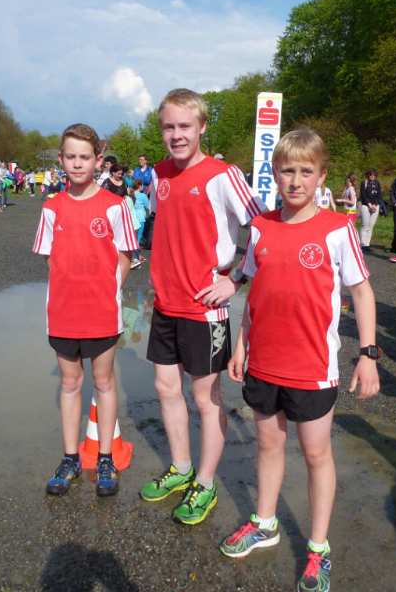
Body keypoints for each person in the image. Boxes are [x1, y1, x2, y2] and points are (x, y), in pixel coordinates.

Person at [220, 127, 379, 592]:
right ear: (274, 174)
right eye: (287, 171)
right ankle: (265, 522)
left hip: (312, 367)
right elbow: (255, 292)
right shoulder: (261, 228)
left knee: (315, 454)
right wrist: (242, 345)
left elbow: (362, 292)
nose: (295, 181)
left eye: (306, 172)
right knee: (269, 446)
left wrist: (368, 354)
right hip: (263, 363)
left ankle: (318, 548)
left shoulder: (337, 229)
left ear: (322, 176)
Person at [138, 88, 265, 525]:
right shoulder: (157, 174)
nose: (176, 135)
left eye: (184, 126)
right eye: (168, 127)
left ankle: (206, 484)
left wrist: (236, 279)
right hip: (165, 304)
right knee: (165, 389)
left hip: (204, 308)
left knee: (205, 398)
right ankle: (181, 467)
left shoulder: (223, 175)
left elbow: (264, 228)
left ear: (202, 127)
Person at [32, 123, 138, 497]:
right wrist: (71, 287)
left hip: (102, 313)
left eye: (85, 157)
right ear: (61, 160)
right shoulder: (51, 207)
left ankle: (105, 457)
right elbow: (49, 258)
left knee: (104, 382)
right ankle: (69, 458)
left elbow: (125, 256)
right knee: (70, 383)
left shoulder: (116, 205)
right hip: (63, 312)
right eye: (71, 157)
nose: (78, 164)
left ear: (98, 160)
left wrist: (107, 290)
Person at [359, 169, 382, 249]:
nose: (372, 176)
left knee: (371, 226)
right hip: (366, 206)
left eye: (374, 175)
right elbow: (363, 195)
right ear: (368, 175)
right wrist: (369, 204)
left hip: (375, 206)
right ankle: (363, 244)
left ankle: (367, 244)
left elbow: (379, 195)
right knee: (365, 225)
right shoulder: (364, 183)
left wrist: (375, 205)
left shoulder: (377, 183)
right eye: (370, 175)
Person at [131, 179, 150, 265]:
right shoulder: (143, 195)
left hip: (131, 218)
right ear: (139, 186)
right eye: (142, 185)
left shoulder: (130, 194)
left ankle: (136, 256)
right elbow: (148, 206)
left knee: (132, 237)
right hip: (140, 218)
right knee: (138, 238)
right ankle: (135, 258)